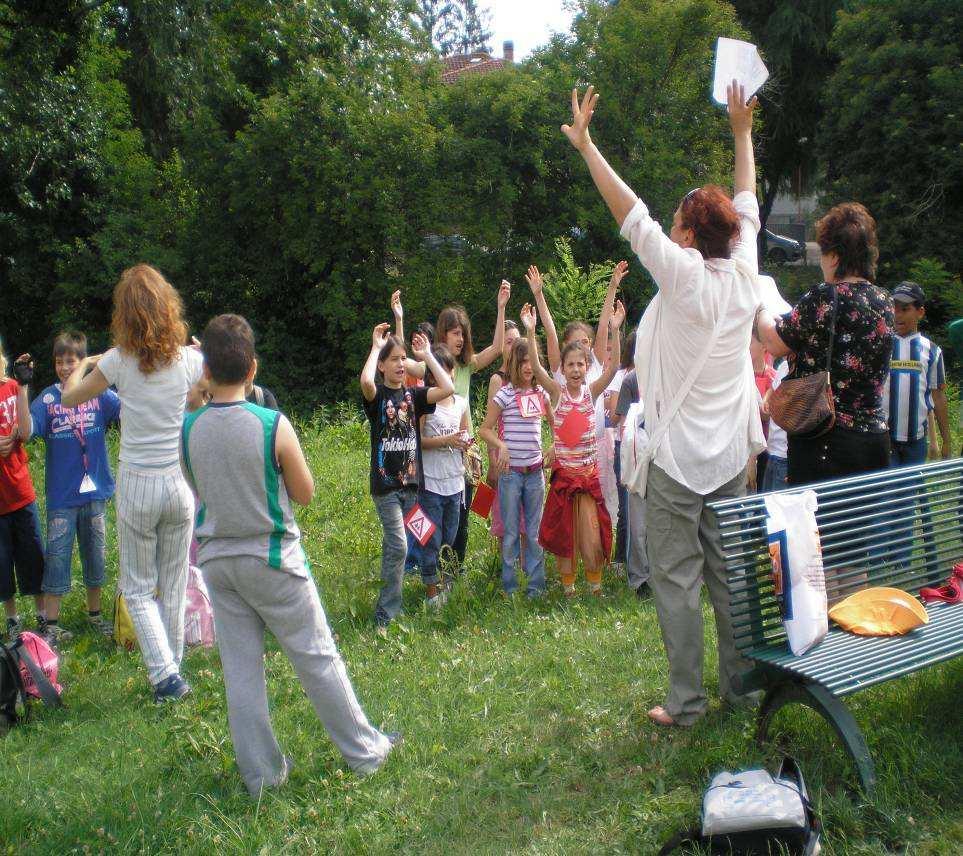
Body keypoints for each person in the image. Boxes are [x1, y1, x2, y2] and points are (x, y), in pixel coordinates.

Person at [563, 82, 766, 726]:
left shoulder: (679, 276)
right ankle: (742, 687)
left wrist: (588, 145)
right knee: (730, 573)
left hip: (678, 460)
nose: (669, 231)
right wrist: (741, 132)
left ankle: (687, 703)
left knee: (677, 582)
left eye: (676, 225)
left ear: (686, 235)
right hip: (732, 454)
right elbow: (749, 201)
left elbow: (628, 212)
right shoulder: (742, 272)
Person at [182, 314, 399, 797]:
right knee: (317, 656)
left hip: (217, 562)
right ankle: (367, 752)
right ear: (253, 368)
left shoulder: (188, 429)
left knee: (241, 672)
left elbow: (198, 485)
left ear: (206, 370)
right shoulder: (270, 423)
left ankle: (261, 776)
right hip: (273, 557)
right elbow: (304, 493)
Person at [62, 264, 206, 703]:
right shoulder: (188, 359)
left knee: (138, 588)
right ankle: (174, 672)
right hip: (178, 486)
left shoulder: (117, 361)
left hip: (139, 484)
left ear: (124, 314)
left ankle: (166, 677)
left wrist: (85, 361)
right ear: (168, 308)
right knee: (174, 582)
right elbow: (202, 398)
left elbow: (69, 396)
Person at [754, 203, 894, 485]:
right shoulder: (885, 301)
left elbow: (776, 343)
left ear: (835, 256)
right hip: (874, 441)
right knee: (860, 529)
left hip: (826, 441)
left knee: (818, 528)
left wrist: (760, 311)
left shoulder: (825, 297)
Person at [523, 300, 623, 596]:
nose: (577, 369)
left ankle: (594, 585)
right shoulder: (556, 392)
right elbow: (539, 370)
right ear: (563, 369)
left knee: (591, 534)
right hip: (565, 479)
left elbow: (614, 365)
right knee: (565, 535)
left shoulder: (592, 392)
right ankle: (568, 588)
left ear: (586, 366)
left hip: (588, 477)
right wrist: (530, 333)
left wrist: (615, 331)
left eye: (581, 364)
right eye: (571, 365)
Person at [361, 323, 453, 632]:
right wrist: (376, 347)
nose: (401, 364)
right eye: (394, 359)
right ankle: (387, 614)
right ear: (383, 366)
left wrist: (427, 355)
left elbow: (448, 388)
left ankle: (429, 589)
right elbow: (365, 381)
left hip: (411, 488)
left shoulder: (414, 396)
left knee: (420, 538)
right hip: (386, 488)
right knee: (399, 545)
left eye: (403, 359)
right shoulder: (378, 398)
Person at [29, 331, 120, 644]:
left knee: (95, 554)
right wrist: (21, 386)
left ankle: (94, 615)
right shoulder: (49, 398)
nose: (65, 367)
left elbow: (126, 409)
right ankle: (51, 623)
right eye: (59, 362)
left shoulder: (97, 393)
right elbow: (28, 430)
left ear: (83, 361)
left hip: (95, 493)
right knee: (57, 557)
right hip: (62, 497)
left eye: (72, 361)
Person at [479, 337, 550, 597]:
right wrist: (502, 446)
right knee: (510, 535)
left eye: (532, 360)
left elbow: (556, 423)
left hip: (535, 474)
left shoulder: (540, 393)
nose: (528, 367)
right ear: (514, 364)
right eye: (523, 361)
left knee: (534, 533)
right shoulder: (505, 393)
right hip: (511, 475)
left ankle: (536, 587)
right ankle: (509, 588)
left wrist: (553, 447)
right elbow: (484, 430)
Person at [418, 344, 469, 607]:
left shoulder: (460, 403)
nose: (447, 374)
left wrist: (467, 445)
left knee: (450, 534)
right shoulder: (426, 402)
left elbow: (464, 433)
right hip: (431, 482)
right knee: (431, 537)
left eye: (449, 369)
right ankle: (430, 587)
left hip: (455, 480)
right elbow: (418, 441)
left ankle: (447, 580)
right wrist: (446, 440)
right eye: (441, 370)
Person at [0, 345, 44, 638]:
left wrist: (25, 386)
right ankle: (13, 618)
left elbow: (26, 433)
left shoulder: (12, 388)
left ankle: (42, 615)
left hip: (20, 490)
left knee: (33, 556)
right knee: (2, 563)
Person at [883, 281, 950, 464]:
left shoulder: (932, 351)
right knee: (887, 491)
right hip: (884, 438)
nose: (898, 315)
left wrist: (946, 440)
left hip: (916, 440)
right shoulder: (881, 345)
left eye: (905, 309)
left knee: (914, 490)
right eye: (894, 309)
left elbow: (938, 397)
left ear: (920, 312)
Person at [486, 319, 525, 564]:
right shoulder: (497, 380)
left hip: (526, 459)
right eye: (508, 342)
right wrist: (493, 462)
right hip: (504, 460)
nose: (512, 347)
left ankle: (524, 566)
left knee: (524, 516)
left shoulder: (528, 378)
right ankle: (506, 568)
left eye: (516, 341)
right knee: (504, 516)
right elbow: (490, 424)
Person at [612, 355, 651, 598]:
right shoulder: (632, 380)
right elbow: (625, 428)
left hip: (669, 459)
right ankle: (641, 579)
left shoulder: (674, 375)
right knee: (637, 524)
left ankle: (663, 576)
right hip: (638, 460)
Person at [760, 359, 790, 492]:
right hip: (772, 450)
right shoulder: (785, 365)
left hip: (785, 455)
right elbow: (772, 389)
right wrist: (766, 401)